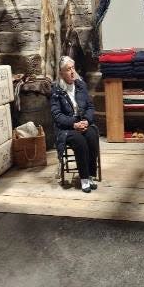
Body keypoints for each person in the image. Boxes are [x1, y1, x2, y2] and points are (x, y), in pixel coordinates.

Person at [51, 56, 99, 193]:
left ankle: (90, 175)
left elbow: (90, 106)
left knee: (91, 136)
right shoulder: (56, 90)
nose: (72, 72)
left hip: (83, 122)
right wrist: (74, 124)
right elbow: (57, 116)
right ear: (61, 73)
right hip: (67, 127)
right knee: (80, 141)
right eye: (68, 69)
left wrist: (87, 121)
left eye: (73, 68)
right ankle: (84, 179)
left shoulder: (80, 85)